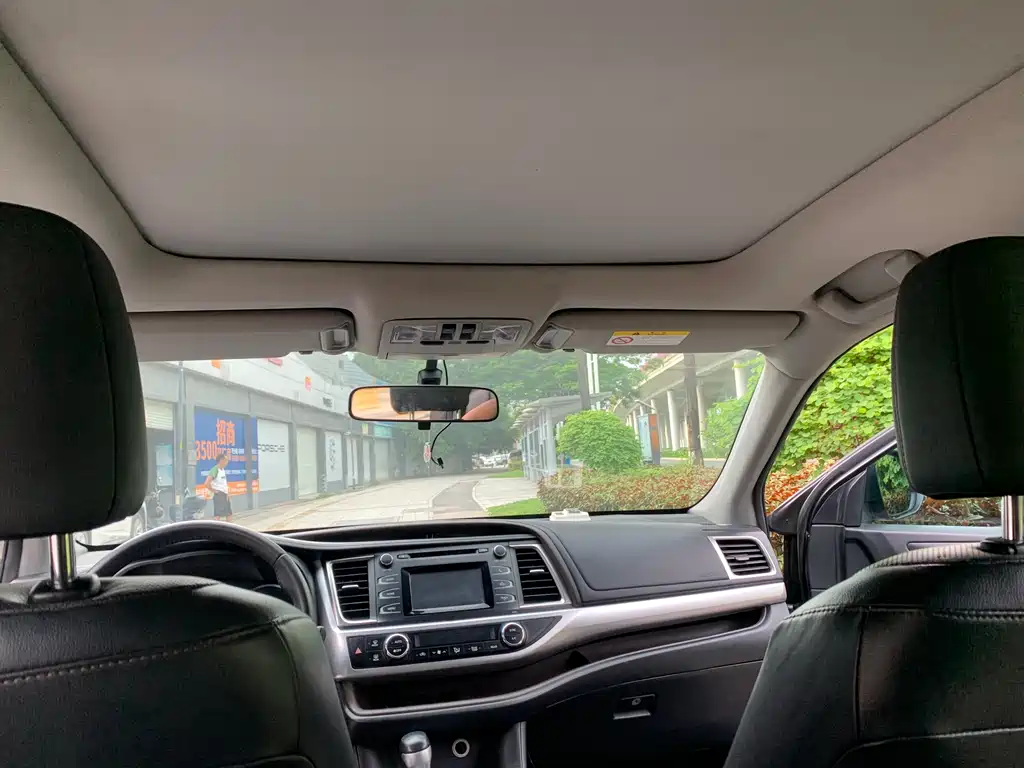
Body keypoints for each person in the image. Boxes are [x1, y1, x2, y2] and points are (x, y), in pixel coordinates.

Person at [203, 452, 232, 521]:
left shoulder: (223, 470)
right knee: (218, 515)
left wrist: (227, 493)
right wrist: (215, 491)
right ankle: (216, 526)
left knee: (229, 514)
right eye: (226, 460)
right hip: (219, 495)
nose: (227, 462)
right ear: (221, 461)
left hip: (225, 494)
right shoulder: (215, 469)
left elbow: (223, 483)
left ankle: (228, 527)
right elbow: (206, 483)